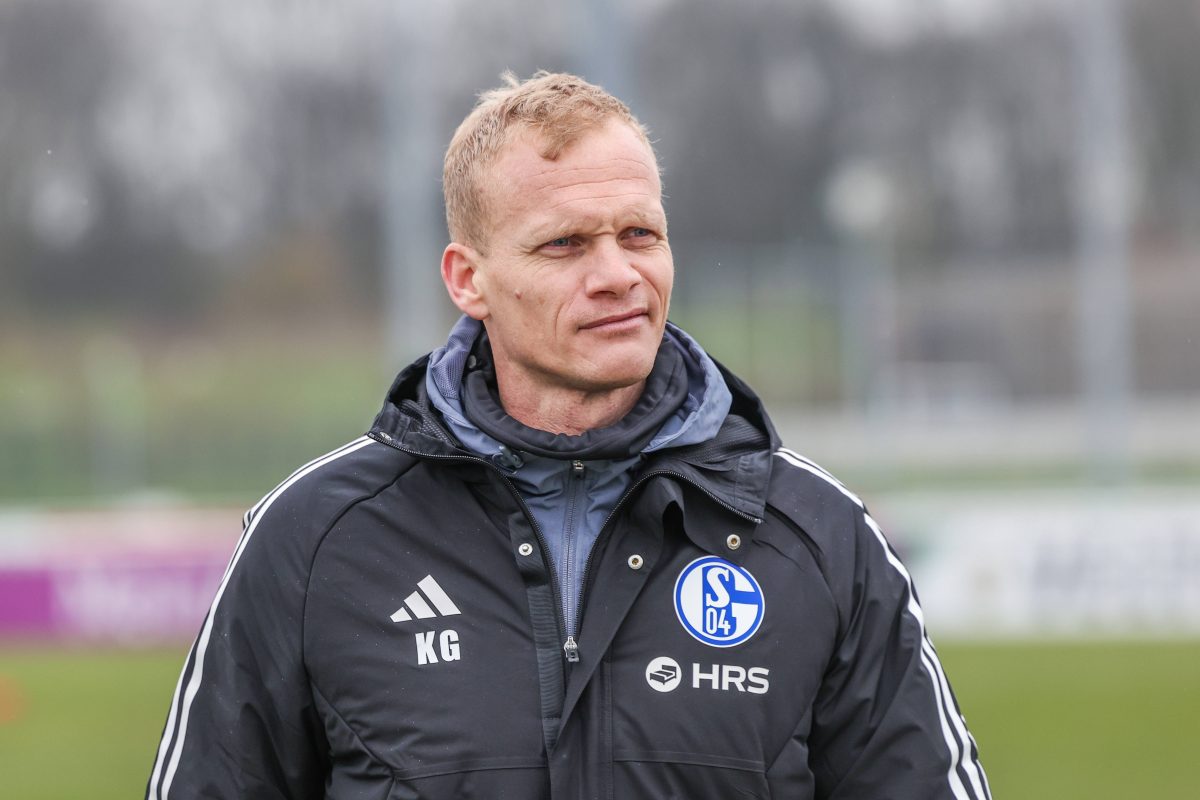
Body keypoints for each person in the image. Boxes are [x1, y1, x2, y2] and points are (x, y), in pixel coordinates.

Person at [146, 71, 990, 800]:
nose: (618, 274)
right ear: (469, 280)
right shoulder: (313, 540)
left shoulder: (821, 537)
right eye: (566, 245)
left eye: (639, 234)